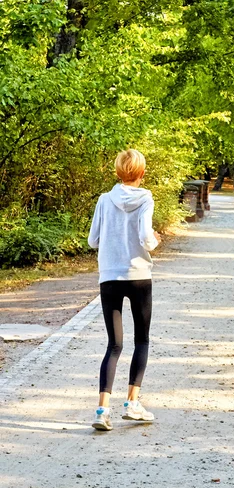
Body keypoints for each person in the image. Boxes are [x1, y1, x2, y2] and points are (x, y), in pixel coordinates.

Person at [88, 149, 161, 431]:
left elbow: (93, 240)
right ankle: (132, 404)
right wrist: (154, 240)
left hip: (109, 277)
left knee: (114, 345)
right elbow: (145, 237)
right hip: (139, 275)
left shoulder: (105, 200)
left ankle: (102, 411)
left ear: (117, 173)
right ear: (142, 174)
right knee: (141, 340)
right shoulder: (145, 198)